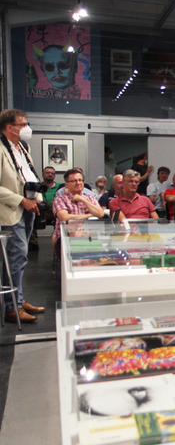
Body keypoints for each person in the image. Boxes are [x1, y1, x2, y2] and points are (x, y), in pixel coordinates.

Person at [0, 110, 44, 323]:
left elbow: (28, 176)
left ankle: (19, 299)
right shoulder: (1, 149)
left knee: (21, 257)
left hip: (28, 209)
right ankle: (12, 307)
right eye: (23, 124)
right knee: (16, 258)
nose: (27, 127)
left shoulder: (23, 147)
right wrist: (21, 200)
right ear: (10, 127)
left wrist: (36, 198)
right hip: (11, 211)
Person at [52, 168, 105, 246]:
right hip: (67, 237)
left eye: (80, 180)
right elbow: (64, 217)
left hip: (88, 235)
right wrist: (87, 216)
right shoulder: (60, 199)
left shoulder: (90, 198)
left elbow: (100, 214)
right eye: (74, 181)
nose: (78, 183)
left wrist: (82, 199)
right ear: (66, 184)